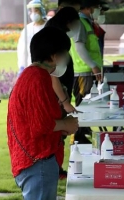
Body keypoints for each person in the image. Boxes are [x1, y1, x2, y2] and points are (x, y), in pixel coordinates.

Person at [7, 27, 79, 200]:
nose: (66, 60)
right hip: (37, 163)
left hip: (37, 162)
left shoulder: (36, 76)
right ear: (54, 56)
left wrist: (61, 125)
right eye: (65, 54)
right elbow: (40, 126)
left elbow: (41, 118)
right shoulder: (36, 78)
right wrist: (66, 124)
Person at [45, 6, 80, 179]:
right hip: (58, 96)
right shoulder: (54, 35)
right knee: (57, 133)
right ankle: (55, 169)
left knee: (59, 135)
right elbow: (54, 77)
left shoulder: (55, 32)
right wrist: (65, 101)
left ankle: (56, 168)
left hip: (61, 93)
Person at [70, 0, 103, 143]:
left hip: (87, 71)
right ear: (89, 8)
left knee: (86, 106)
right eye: (98, 8)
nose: (99, 11)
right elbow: (79, 47)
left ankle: (83, 134)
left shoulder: (86, 22)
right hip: (83, 71)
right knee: (82, 106)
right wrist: (93, 66)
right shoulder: (80, 23)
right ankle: (78, 138)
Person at [17, 0, 46, 76]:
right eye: (32, 11)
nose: (34, 14)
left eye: (36, 10)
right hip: (31, 65)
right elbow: (22, 49)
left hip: (47, 66)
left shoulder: (48, 26)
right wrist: (21, 66)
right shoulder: (27, 29)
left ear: (41, 11)